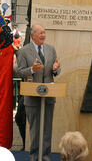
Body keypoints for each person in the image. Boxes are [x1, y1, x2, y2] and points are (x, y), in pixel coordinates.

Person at [17, 24, 61, 161]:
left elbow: (56, 70)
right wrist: (32, 69)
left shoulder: (51, 49)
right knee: (35, 130)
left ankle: (46, 157)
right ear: (33, 36)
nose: (43, 35)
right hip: (32, 96)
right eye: (40, 33)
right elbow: (19, 71)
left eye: (44, 32)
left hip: (48, 96)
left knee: (47, 129)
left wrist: (55, 69)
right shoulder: (24, 51)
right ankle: (35, 157)